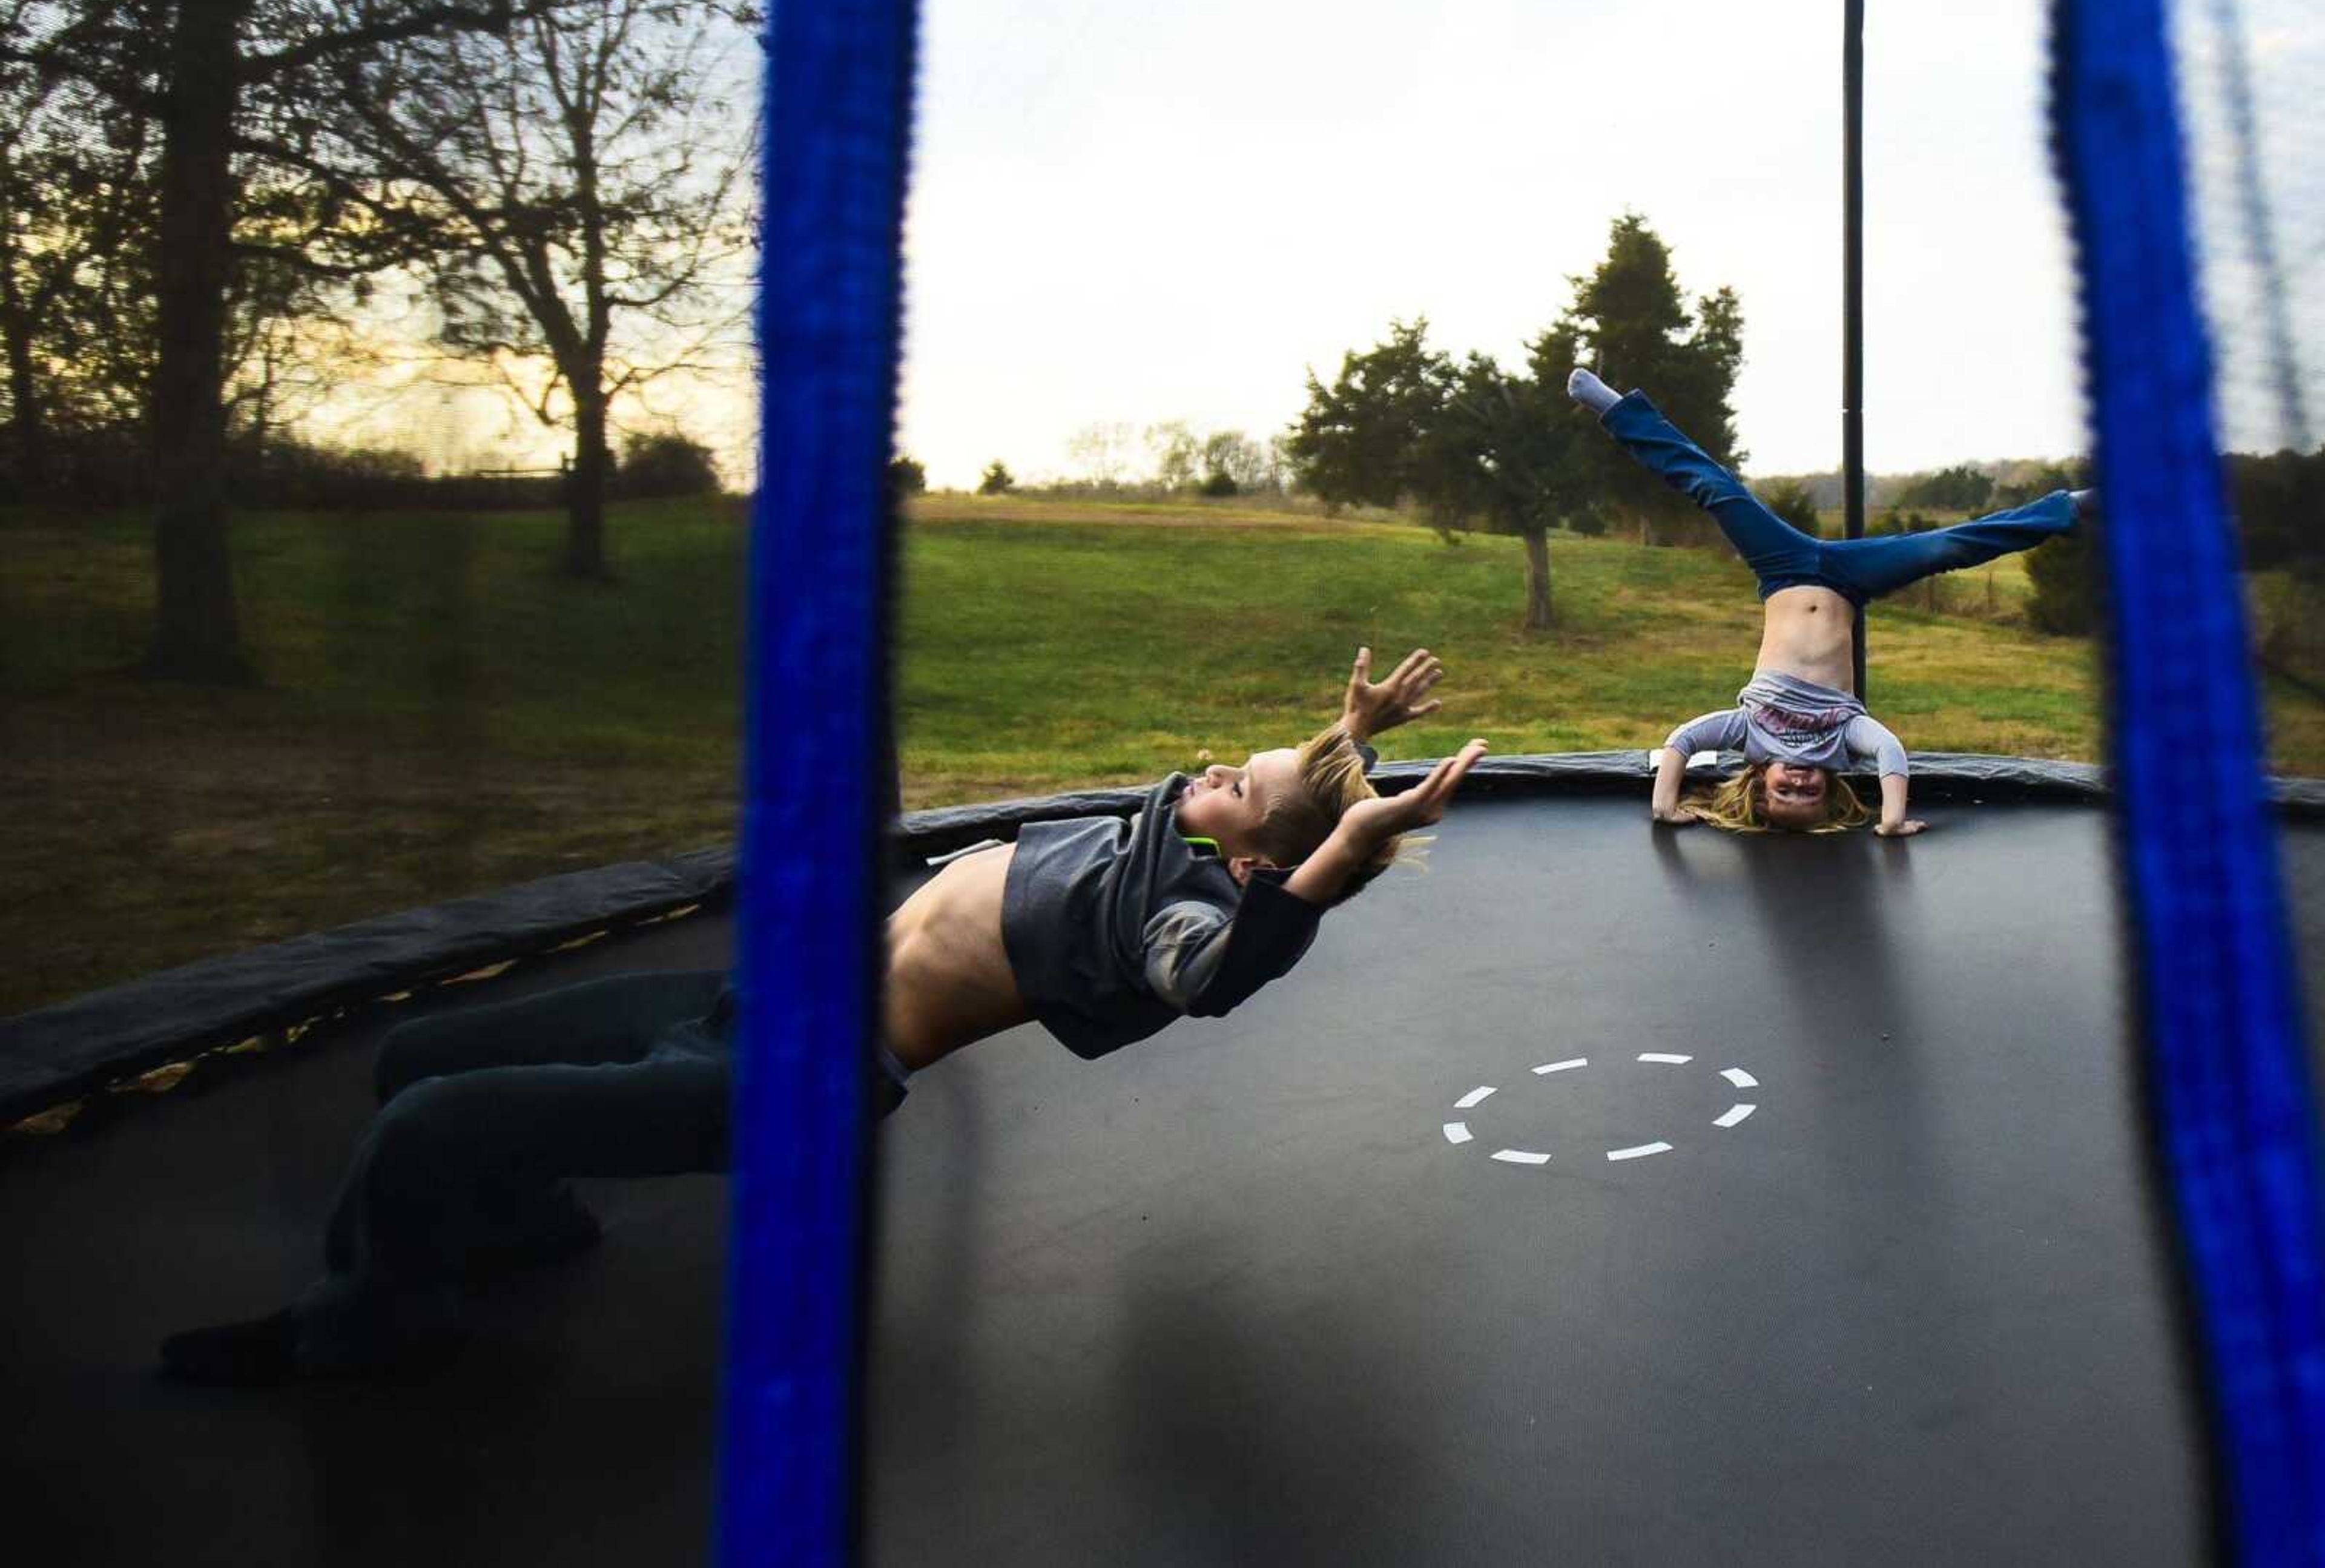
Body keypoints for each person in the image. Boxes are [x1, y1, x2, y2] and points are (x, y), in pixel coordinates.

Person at [159, 648, 1484, 1383]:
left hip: (803, 1078)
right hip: (765, 994)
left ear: (1251, 857)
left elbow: (1222, 973)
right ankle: (531, 1223)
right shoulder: (1175, 834)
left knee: (434, 1120)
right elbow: (1274, 810)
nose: (1205, 766)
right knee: (415, 1054)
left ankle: (348, 1328)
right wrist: (1334, 742)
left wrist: (1337, 859)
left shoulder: (1177, 921)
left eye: (1229, 785)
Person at [1568, 368, 2093, 835]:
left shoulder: (1747, 735)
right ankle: (2068, 510)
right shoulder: (1844, 743)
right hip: (1850, 582)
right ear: (1830, 787)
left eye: (1784, 792)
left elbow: (1681, 741)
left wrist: (1666, 806)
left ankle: (1615, 408)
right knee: (1950, 546)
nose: (1797, 782)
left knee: (1712, 485)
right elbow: (1890, 752)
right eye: (1808, 793)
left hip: (1782, 568)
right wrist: (1890, 820)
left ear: (1758, 782)